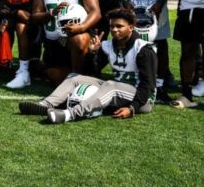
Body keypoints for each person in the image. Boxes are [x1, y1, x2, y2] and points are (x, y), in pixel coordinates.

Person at [19, 8, 157, 124]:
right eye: (112, 26)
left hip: (142, 99)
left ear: (131, 27)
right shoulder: (108, 45)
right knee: (75, 77)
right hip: (117, 90)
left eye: (119, 26)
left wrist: (133, 108)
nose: (114, 30)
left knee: (110, 85)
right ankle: (45, 104)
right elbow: (92, 71)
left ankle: (69, 114)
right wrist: (93, 53)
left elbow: (148, 85)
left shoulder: (143, 49)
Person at [32, 0, 101, 85]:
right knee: (56, 76)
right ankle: (77, 78)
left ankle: (79, 79)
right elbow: (35, 16)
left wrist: (81, 27)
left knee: (78, 39)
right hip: (54, 41)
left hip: (77, 36)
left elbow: (95, 12)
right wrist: (51, 13)